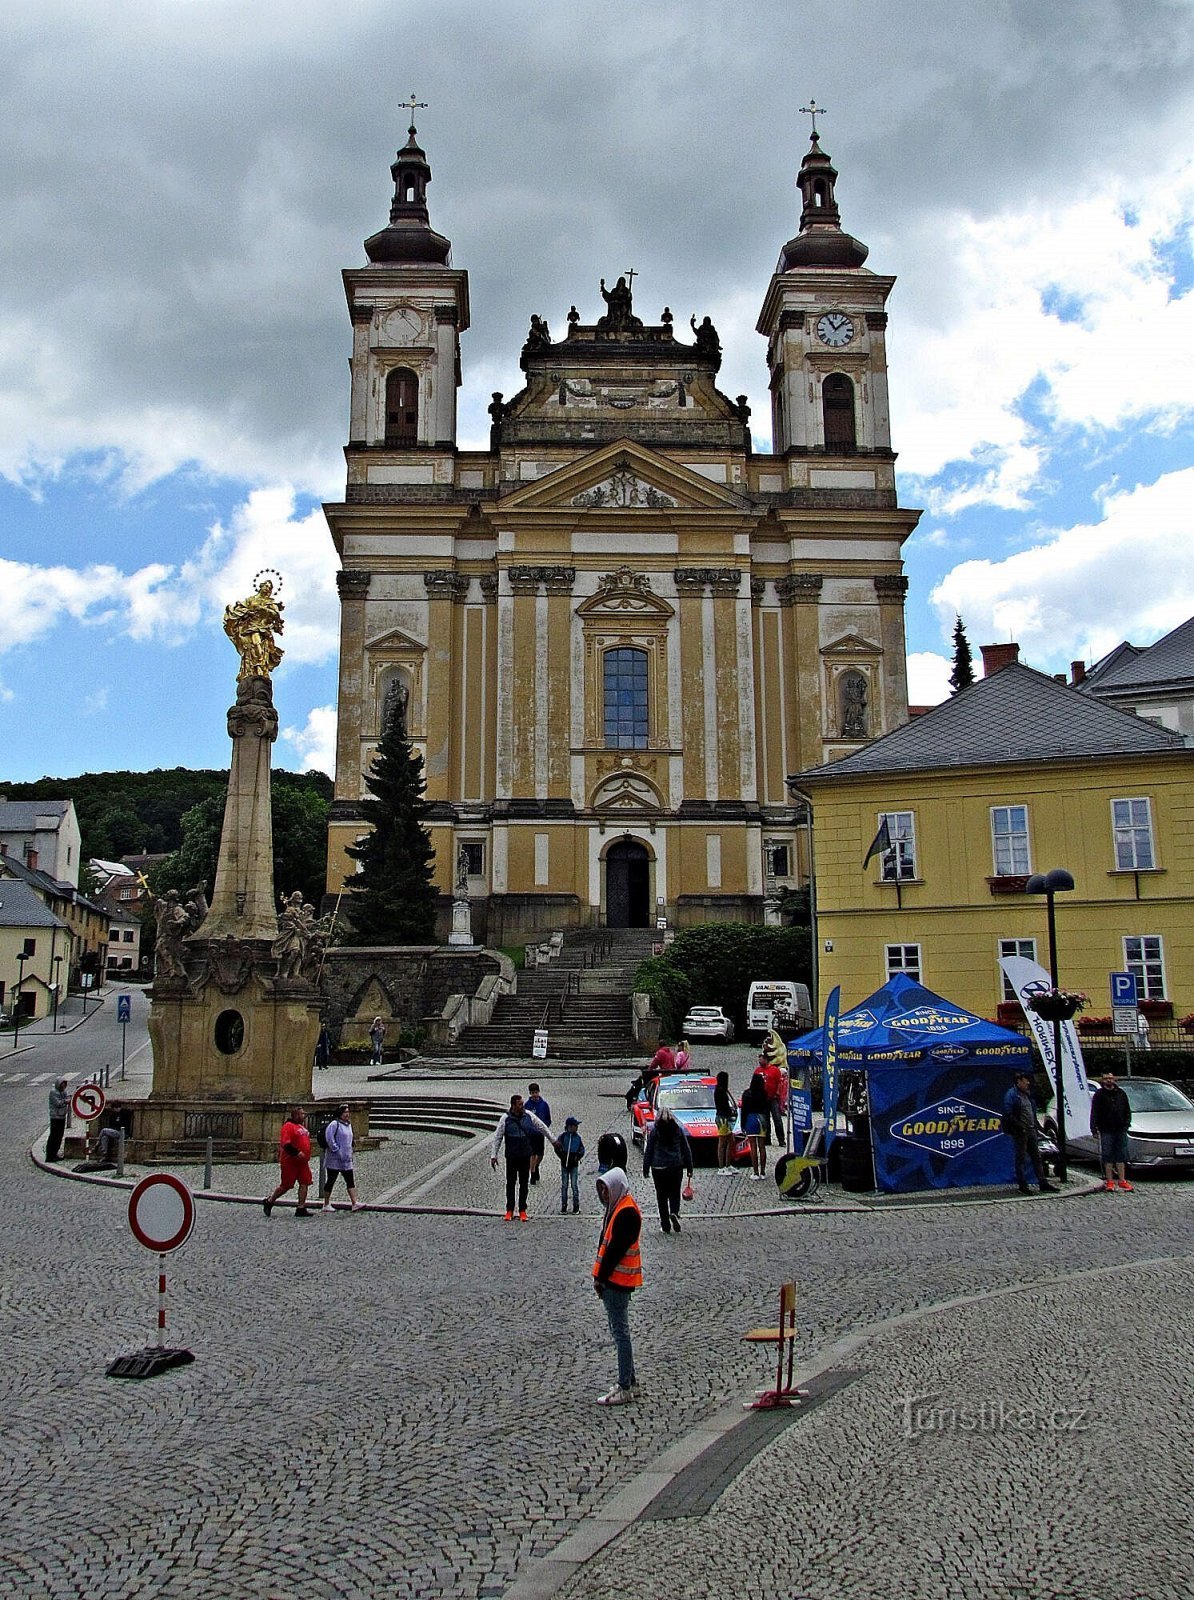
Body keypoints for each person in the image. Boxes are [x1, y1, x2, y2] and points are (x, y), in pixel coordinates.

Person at [592, 1167, 643, 1405]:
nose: (603, 1195)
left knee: (620, 1333)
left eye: (605, 1189)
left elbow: (614, 1250)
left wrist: (601, 1278)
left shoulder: (625, 1213)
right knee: (620, 1332)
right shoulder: (621, 1209)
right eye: (601, 1190)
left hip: (616, 1282)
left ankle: (625, 1385)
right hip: (616, 1281)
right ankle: (630, 1381)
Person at [490, 1094, 552, 1221]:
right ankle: (510, 1210)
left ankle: (523, 1209)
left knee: (524, 1184)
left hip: (525, 1155)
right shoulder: (505, 1118)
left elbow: (542, 1126)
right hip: (512, 1156)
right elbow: (498, 1137)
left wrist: (553, 1140)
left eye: (522, 1104)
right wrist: (493, 1155)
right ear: (513, 1105)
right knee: (511, 1184)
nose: (522, 1106)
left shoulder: (528, 1115)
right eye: (520, 1104)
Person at [1001, 1071, 1058, 1195]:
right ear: (1019, 1081)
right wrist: (1019, 1126)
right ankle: (1023, 1185)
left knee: (1036, 1157)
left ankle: (1043, 1183)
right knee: (1021, 1159)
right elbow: (1007, 1113)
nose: (1028, 1083)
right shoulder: (1011, 1095)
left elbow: (1032, 1112)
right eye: (1025, 1080)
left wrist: (1037, 1127)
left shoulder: (1027, 1094)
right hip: (1021, 1132)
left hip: (1031, 1130)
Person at [642, 1107, 694, 1234]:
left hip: (658, 1168)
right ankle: (674, 1212)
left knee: (661, 1196)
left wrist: (646, 1168)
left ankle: (665, 1225)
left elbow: (649, 1150)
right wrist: (689, 1167)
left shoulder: (655, 1131)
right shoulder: (678, 1130)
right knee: (674, 1192)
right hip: (675, 1166)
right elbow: (686, 1149)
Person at [263, 1107, 314, 1218]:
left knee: (305, 1182)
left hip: (302, 1162)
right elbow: (286, 1144)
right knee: (286, 1185)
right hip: (290, 1161)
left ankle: (301, 1207)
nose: (304, 1116)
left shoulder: (301, 1127)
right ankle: (270, 1201)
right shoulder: (288, 1127)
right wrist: (297, 1153)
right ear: (295, 1115)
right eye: (302, 1114)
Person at [1090, 1072, 1134, 1192]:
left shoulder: (1121, 1093)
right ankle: (1109, 1181)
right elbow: (1094, 1112)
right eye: (1106, 1079)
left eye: (1110, 1078)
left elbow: (1127, 1110)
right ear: (1102, 1080)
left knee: (1121, 1156)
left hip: (1120, 1129)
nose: (1109, 1080)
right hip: (1106, 1130)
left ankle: (1122, 1180)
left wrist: (1126, 1124)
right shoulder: (1099, 1095)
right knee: (1107, 1156)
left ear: (1114, 1079)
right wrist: (1093, 1128)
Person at [322, 1106, 364, 1212]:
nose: (347, 1114)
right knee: (331, 1180)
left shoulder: (348, 1125)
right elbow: (329, 1138)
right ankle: (326, 1203)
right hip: (334, 1159)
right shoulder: (334, 1124)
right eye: (345, 1112)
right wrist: (336, 1149)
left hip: (346, 1159)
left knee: (350, 1180)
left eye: (348, 1112)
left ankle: (354, 1202)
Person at [740, 1069, 771, 1180]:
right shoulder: (764, 1094)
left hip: (750, 1119)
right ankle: (763, 1172)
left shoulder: (747, 1094)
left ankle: (755, 1172)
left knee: (753, 1147)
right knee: (762, 1147)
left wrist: (742, 1124)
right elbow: (767, 1109)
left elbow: (743, 1110)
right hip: (761, 1119)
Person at [556, 1116, 586, 1214]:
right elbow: (557, 1147)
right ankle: (564, 1206)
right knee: (564, 1185)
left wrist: (577, 1157)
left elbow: (582, 1149)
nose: (577, 1127)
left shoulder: (577, 1138)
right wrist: (562, 1156)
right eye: (575, 1125)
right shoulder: (563, 1137)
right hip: (564, 1164)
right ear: (569, 1127)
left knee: (574, 1185)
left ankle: (576, 1206)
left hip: (574, 1164)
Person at [525, 1082, 552, 1185]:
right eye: (532, 1093)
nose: (534, 1095)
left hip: (541, 1133)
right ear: (530, 1093)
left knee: (540, 1154)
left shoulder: (544, 1105)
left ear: (539, 1092)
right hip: (531, 1134)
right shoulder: (527, 1105)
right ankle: (532, 1174)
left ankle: (536, 1166)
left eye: (536, 1092)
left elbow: (548, 1118)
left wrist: (545, 1127)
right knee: (533, 1154)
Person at [759, 1050, 786, 1146]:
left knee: (777, 1119)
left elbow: (780, 1082)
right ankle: (767, 1139)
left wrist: (778, 1094)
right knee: (765, 1120)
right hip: (763, 1099)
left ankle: (781, 1140)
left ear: (766, 1060)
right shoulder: (758, 1071)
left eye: (761, 1059)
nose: (759, 1062)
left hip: (773, 1098)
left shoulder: (774, 1070)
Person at [714, 1070, 738, 1173]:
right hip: (722, 1118)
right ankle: (721, 1167)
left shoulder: (722, 1090)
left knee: (731, 1141)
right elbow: (724, 1106)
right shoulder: (720, 1091)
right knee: (722, 1142)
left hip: (725, 1118)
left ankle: (728, 1164)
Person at [45, 1078, 69, 1162]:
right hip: (55, 1117)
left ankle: (55, 1153)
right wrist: (65, 1101)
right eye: (63, 1084)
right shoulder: (53, 1092)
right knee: (54, 1136)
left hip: (62, 1116)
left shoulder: (64, 1092)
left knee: (59, 1136)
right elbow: (57, 1103)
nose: (64, 1086)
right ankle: (50, 1155)